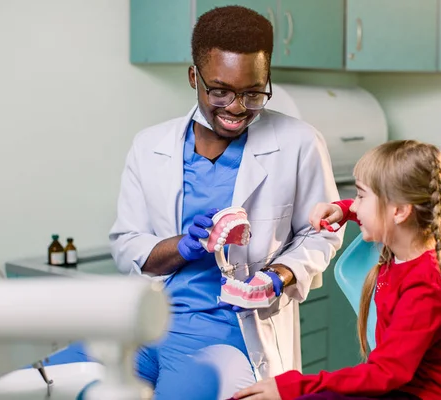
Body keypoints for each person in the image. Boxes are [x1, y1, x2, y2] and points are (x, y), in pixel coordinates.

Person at [108, 5, 342, 399]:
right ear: (192, 77)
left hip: (231, 337)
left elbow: (321, 235)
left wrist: (278, 276)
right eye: (220, 91)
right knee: (65, 379)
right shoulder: (150, 146)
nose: (236, 107)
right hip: (150, 326)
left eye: (253, 93)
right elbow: (126, 244)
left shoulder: (300, 142)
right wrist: (180, 246)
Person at [232, 140, 441, 400]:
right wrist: (342, 209)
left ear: (400, 211)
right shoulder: (417, 243)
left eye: (361, 195)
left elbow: (385, 374)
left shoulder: (424, 285)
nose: (355, 205)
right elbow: (379, 213)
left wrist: (290, 387)